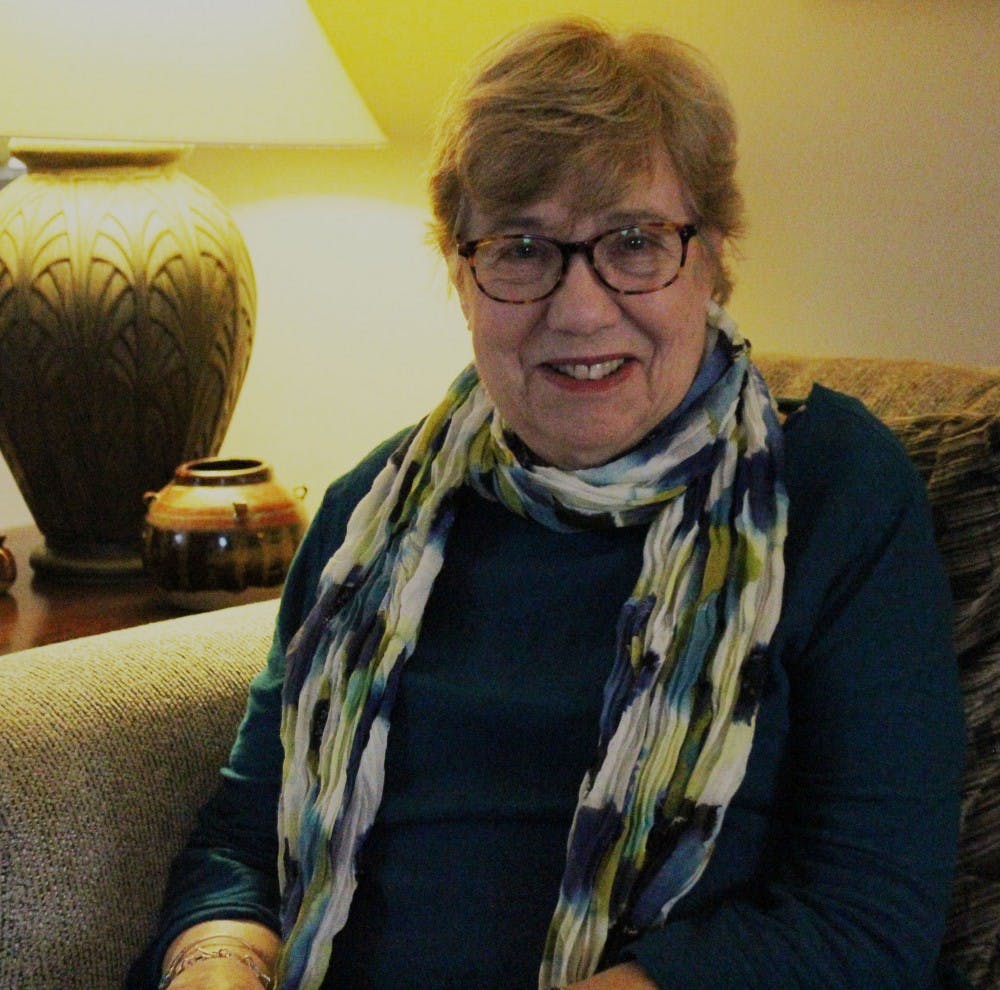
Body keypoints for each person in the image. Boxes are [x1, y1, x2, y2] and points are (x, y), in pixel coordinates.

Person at [129, 18, 967, 990]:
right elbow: (243, 843)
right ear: (459, 269)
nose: (577, 308)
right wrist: (216, 967)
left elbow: (863, 927)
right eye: (521, 249)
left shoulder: (828, 492)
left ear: (714, 254)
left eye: (633, 241)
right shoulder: (373, 512)